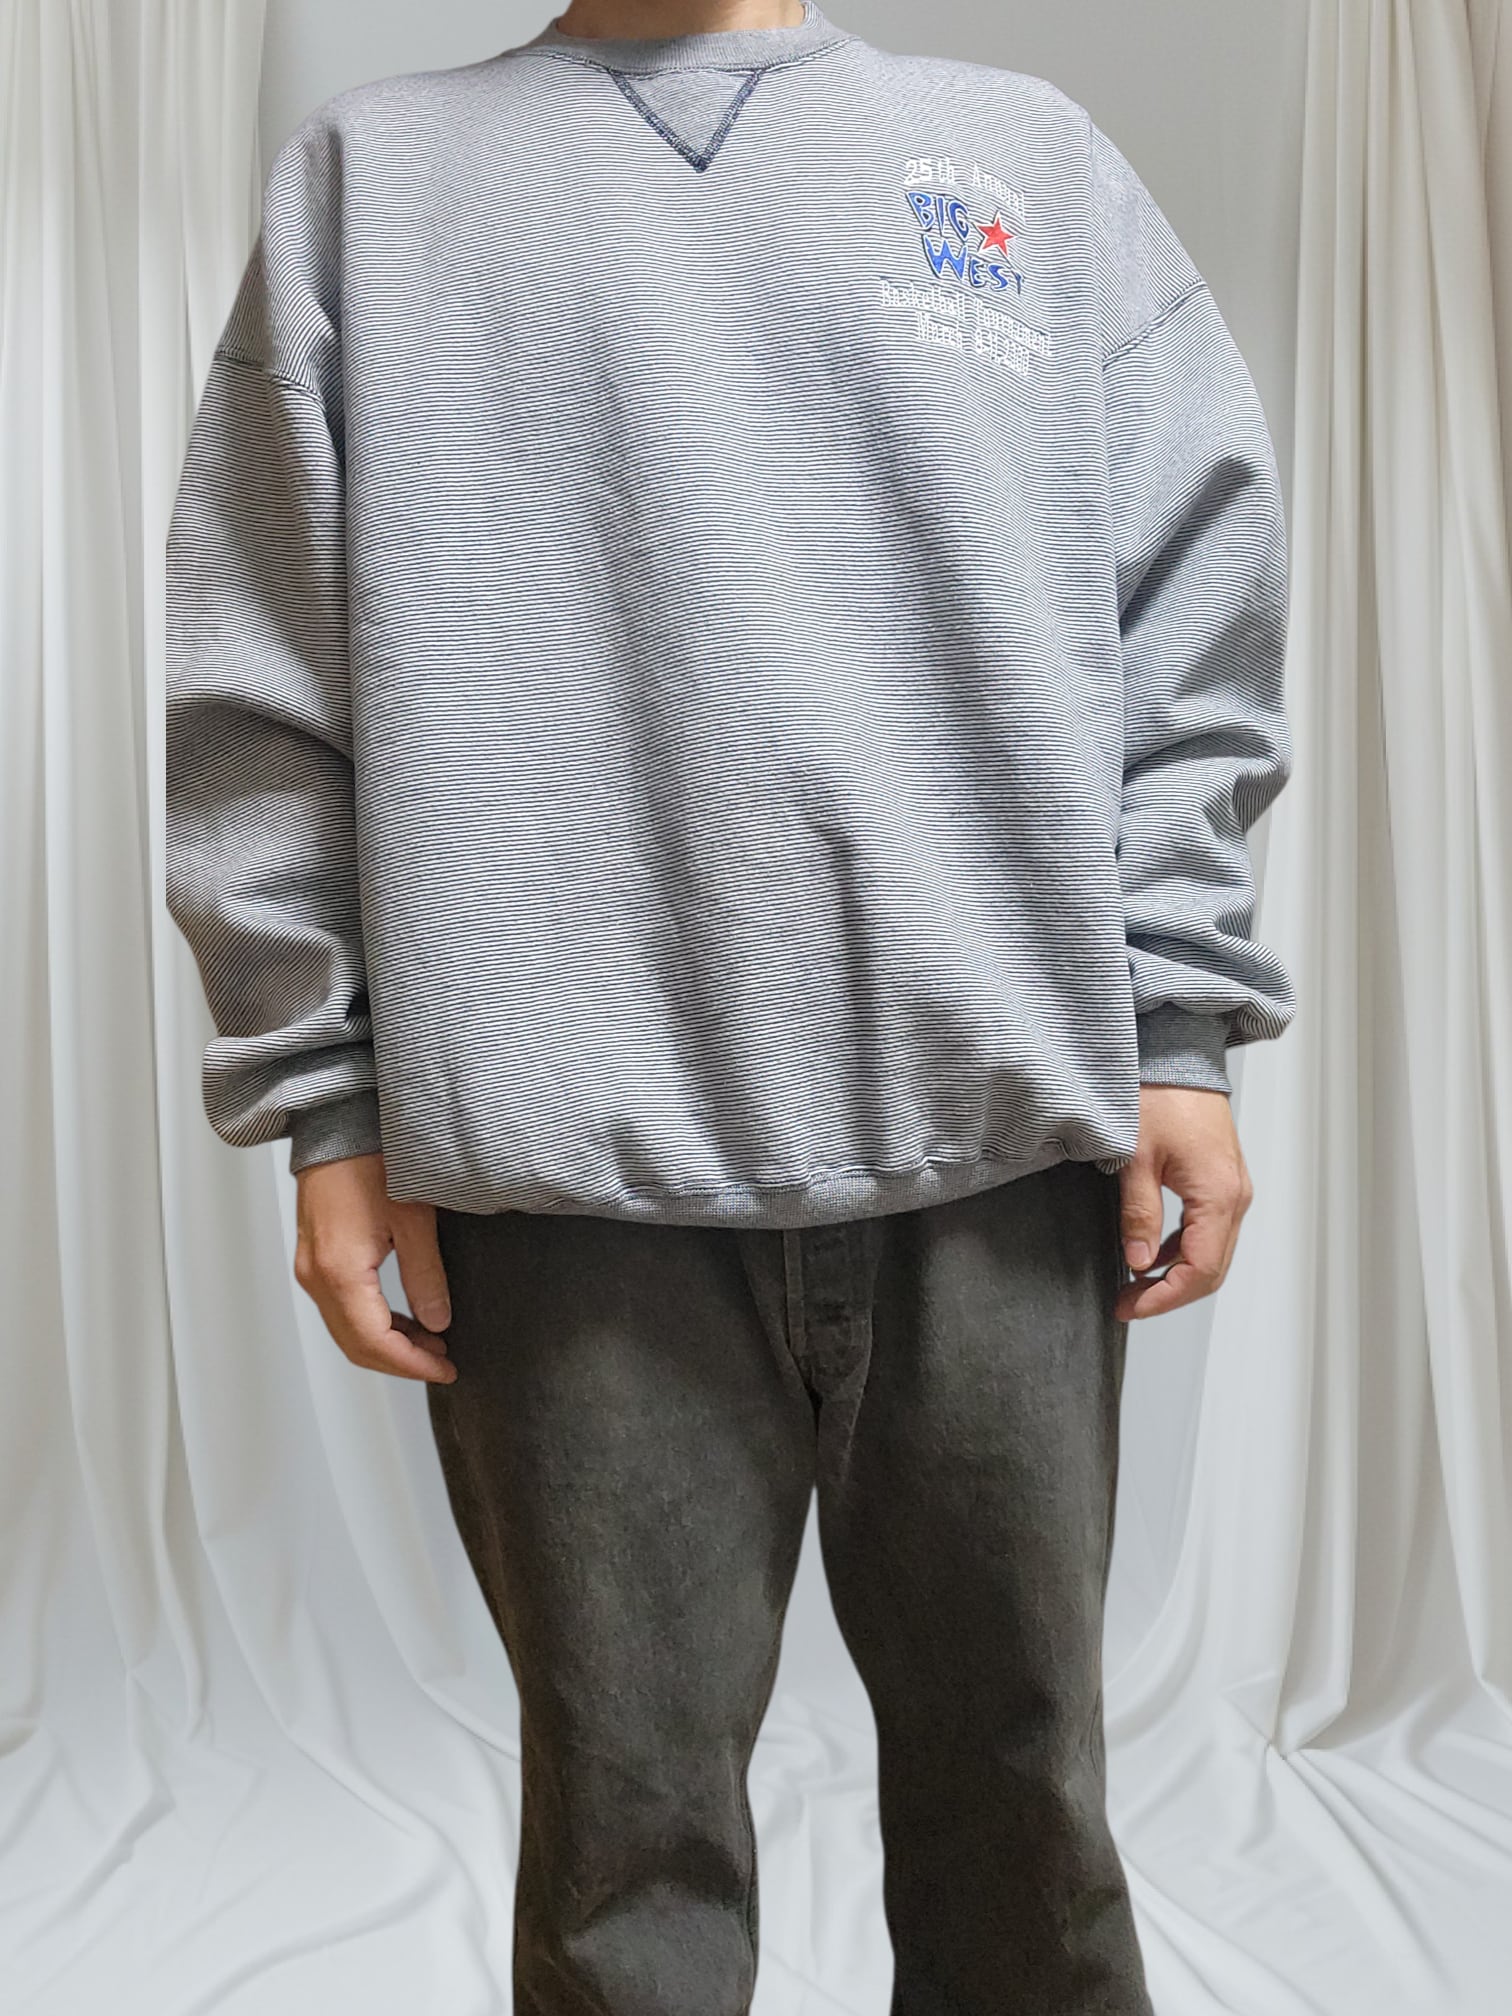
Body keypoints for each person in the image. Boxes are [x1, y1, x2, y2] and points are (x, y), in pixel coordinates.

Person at [163, 2, 1294, 2009]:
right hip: (561, 1187)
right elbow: (264, 674)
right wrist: (324, 1099)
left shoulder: (1020, 159)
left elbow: (1189, 614)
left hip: (992, 1148)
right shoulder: (377, 181)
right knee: (626, 1871)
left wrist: (1181, 1022)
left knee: (1027, 1828)